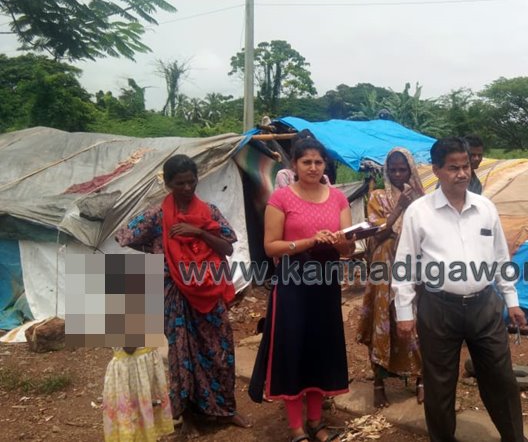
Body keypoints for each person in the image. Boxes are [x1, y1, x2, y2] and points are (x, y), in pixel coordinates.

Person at [393, 137, 528, 442]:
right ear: (436, 170)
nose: (462, 173)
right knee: (439, 384)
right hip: (438, 308)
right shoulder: (419, 212)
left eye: (466, 166)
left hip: (484, 306)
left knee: (501, 377)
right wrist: (404, 312)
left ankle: (514, 438)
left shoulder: (485, 208)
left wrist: (512, 300)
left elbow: (500, 258)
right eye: (453, 168)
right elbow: (404, 265)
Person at [115, 154, 251, 434]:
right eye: (180, 183)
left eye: (191, 181)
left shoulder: (209, 212)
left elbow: (227, 247)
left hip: (208, 287)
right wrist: (158, 249)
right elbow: (124, 236)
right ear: (168, 184)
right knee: (181, 354)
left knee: (220, 349)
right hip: (174, 292)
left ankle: (225, 409)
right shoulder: (157, 215)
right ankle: (187, 417)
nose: (188, 188)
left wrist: (198, 232)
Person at [248, 130, 353, 442]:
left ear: (325, 165)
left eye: (318, 162)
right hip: (293, 284)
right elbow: (270, 246)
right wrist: (309, 241)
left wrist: (342, 241)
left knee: (320, 348)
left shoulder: (338, 198)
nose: (313, 167)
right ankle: (296, 427)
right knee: (292, 349)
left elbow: (349, 248)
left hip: (326, 283)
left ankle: (316, 422)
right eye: (307, 162)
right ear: (294, 164)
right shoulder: (281, 198)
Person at [356, 147, 425, 408]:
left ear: (410, 170)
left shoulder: (422, 199)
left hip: (413, 268)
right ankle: (379, 383)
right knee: (382, 320)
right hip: (383, 267)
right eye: (392, 169)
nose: (397, 174)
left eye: (402, 169)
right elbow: (376, 235)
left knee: (416, 320)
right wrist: (399, 208)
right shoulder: (377, 196)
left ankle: (421, 379)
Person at [103, 347, 174, 441]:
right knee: (133, 411)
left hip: (142, 364)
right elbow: (129, 348)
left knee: (141, 410)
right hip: (130, 368)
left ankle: (145, 435)